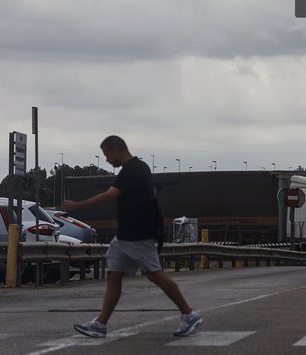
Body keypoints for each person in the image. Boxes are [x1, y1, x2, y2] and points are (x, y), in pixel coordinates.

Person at [62, 135, 203, 338]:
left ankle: (189, 314)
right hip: (125, 236)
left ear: (117, 149)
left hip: (138, 234)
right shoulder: (139, 168)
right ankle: (100, 324)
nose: (108, 160)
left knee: (154, 274)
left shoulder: (132, 170)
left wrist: (78, 206)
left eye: (107, 155)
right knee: (113, 274)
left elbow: (109, 195)